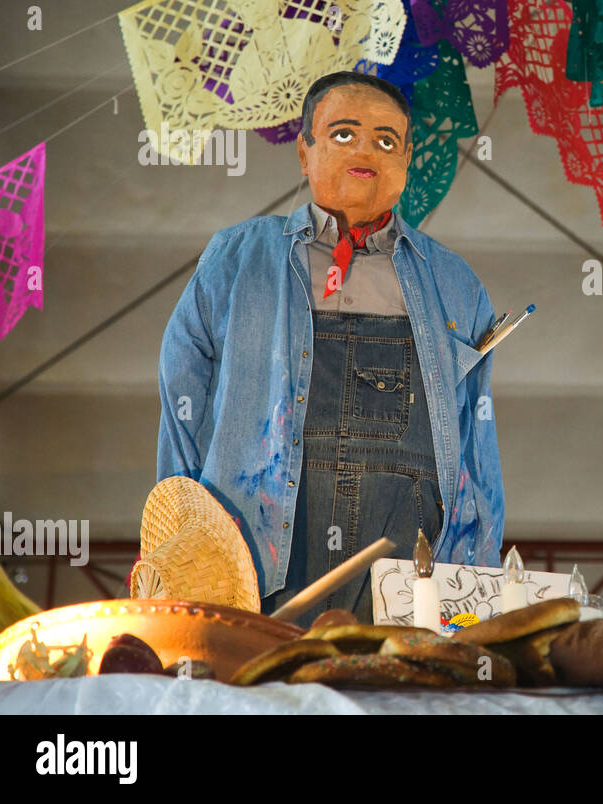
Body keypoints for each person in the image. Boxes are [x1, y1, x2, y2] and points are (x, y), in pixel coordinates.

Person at [157, 70, 504, 624]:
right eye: (343, 134)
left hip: (404, 572)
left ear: (408, 160)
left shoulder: (456, 283)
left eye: (386, 141)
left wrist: (474, 588)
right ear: (304, 151)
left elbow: (477, 454)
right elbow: (181, 405)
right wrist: (176, 549)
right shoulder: (236, 259)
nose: (366, 149)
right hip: (255, 553)